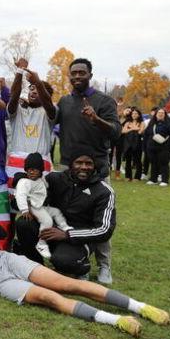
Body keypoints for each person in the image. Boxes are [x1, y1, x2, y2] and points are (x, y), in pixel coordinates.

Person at [0, 199, 169, 338]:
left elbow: (1, 233)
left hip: (7, 261)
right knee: (49, 297)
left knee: (68, 283)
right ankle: (117, 321)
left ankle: (141, 307)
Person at [55, 58, 120, 283]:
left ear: (90, 75)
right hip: (68, 168)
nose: (77, 77)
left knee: (100, 220)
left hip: (97, 170)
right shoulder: (64, 102)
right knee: (67, 214)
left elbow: (115, 132)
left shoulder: (104, 101)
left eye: (82, 73)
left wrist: (96, 119)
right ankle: (74, 257)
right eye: (74, 73)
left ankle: (104, 266)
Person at [13, 153, 116, 282]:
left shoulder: (104, 191)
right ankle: (36, 266)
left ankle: (82, 268)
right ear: (71, 164)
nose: (84, 167)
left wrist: (68, 235)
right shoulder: (55, 179)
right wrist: (22, 185)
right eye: (79, 162)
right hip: (52, 230)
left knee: (63, 261)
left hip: (78, 238)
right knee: (24, 223)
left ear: (95, 166)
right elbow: (34, 189)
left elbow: (104, 229)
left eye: (88, 163)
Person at [5, 63, 56, 186]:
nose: (33, 92)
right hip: (17, 163)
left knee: (38, 202)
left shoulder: (50, 112)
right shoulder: (18, 110)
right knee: (15, 201)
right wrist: (19, 70)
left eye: (37, 89)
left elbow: (48, 103)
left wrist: (38, 83)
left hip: (41, 164)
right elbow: (14, 96)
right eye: (31, 88)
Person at [14, 153, 70, 259]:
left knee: (56, 212)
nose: (31, 171)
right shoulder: (24, 182)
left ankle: (64, 226)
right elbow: (20, 195)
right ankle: (41, 243)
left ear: (40, 171)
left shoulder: (41, 180)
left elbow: (45, 187)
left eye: (34, 169)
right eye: (28, 169)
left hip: (40, 206)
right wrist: (25, 209)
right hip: (33, 207)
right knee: (47, 221)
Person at [145, 108, 170, 186]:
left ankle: (164, 180)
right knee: (153, 163)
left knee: (164, 163)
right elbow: (146, 135)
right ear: (156, 114)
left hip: (165, 147)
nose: (160, 114)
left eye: (162, 113)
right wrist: (146, 146)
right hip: (152, 147)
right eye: (159, 113)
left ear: (165, 114)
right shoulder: (151, 123)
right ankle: (153, 179)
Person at [121, 108, 145, 182]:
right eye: (133, 114)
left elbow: (140, 131)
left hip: (137, 143)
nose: (134, 115)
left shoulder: (142, 122)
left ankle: (137, 177)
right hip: (128, 143)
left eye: (136, 114)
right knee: (128, 160)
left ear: (139, 115)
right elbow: (123, 131)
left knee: (137, 160)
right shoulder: (128, 122)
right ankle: (128, 176)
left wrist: (135, 128)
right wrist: (133, 129)